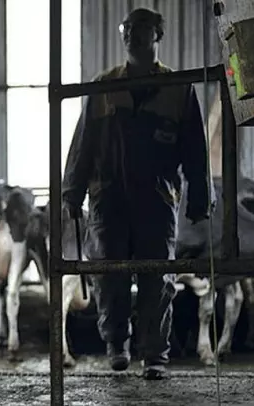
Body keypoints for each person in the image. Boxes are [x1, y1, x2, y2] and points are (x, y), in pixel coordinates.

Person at [61, 8, 212, 380]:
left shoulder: (178, 88)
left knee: (157, 278)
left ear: (157, 35)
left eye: (142, 29)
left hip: (157, 200)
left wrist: (198, 199)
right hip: (108, 199)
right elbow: (84, 144)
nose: (133, 35)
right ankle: (116, 345)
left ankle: (154, 355)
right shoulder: (103, 86)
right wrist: (72, 191)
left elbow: (194, 148)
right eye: (127, 29)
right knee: (108, 274)